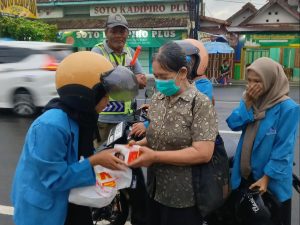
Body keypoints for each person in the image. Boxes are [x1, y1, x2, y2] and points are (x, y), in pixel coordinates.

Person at [11, 51, 139, 225]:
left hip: (70, 198)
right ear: (86, 94)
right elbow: (54, 178)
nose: (108, 101)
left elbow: (79, 159)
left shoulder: (81, 118)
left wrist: (106, 158)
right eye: (104, 95)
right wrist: (95, 160)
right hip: (45, 211)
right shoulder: (51, 126)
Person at [129, 41, 218, 225]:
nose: (159, 81)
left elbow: (203, 153)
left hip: (183, 197)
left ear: (183, 73)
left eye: (163, 76)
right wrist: (137, 145)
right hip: (155, 189)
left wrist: (154, 156)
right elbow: (156, 134)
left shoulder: (200, 103)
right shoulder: (158, 98)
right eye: (155, 76)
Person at [226, 57, 299, 225]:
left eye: (257, 81)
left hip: (269, 182)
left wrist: (266, 178)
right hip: (245, 177)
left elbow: (284, 150)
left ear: (271, 81)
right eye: (249, 80)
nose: (251, 86)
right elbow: (233, 124)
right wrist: (247, 103)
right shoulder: (250, 99)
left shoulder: (288, 108)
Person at [91, 13, 146, 145]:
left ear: (127, 33)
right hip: (104, 119)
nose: (118, 35)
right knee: (101, 157)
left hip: (126, 118)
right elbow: (98, 83)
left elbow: (143, 82)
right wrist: (132, 80)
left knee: (122, 156)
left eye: (122, 31)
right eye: (114, 31)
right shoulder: (97, 52)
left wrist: (116, 81)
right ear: (106, 33)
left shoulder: (131, 52)